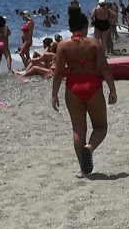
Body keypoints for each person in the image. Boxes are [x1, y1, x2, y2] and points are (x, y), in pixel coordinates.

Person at [50, 18, 116, 177]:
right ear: (85, 27)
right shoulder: (94, 43)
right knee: (100, 127)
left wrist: (54, 94)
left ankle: (83, 170)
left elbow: (58, 72)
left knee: (78, 130)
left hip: (73, 88)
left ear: (70, 28)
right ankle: (90, 148)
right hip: (93, 86)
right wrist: (112, 90)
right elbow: (105, 68)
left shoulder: (62, 46)